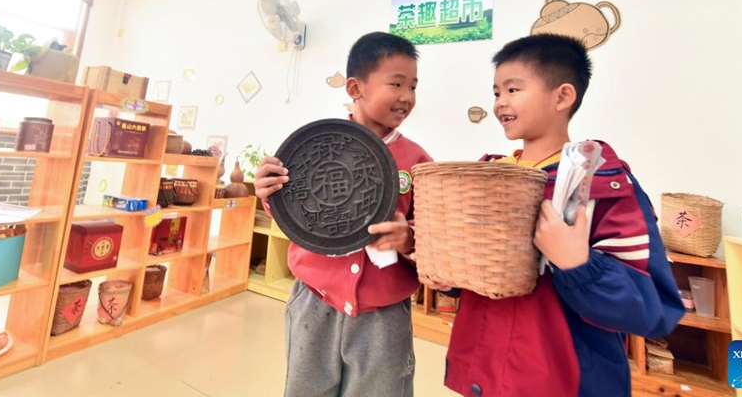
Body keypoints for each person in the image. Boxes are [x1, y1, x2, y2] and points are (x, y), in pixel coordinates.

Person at [442, 33, 685, 397]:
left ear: (563, 96)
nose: (500, 103)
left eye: (513, 89)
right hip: (484, 379)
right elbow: (475, 276)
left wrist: (578, 264)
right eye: (496, 92)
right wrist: (441, 267)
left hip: (565, 384)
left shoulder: (602, 183)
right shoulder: (490, 176)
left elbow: (654, 308)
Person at [254, 31, 433, 397]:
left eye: (413, 86)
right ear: (355, 87)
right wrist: (268, 192)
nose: (407, 96)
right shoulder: (314, 147)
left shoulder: (418, 161)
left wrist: (410, 238)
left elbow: (432, 228)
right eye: (396, 83)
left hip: (384, 313)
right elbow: (296, 211)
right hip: (314, 299)